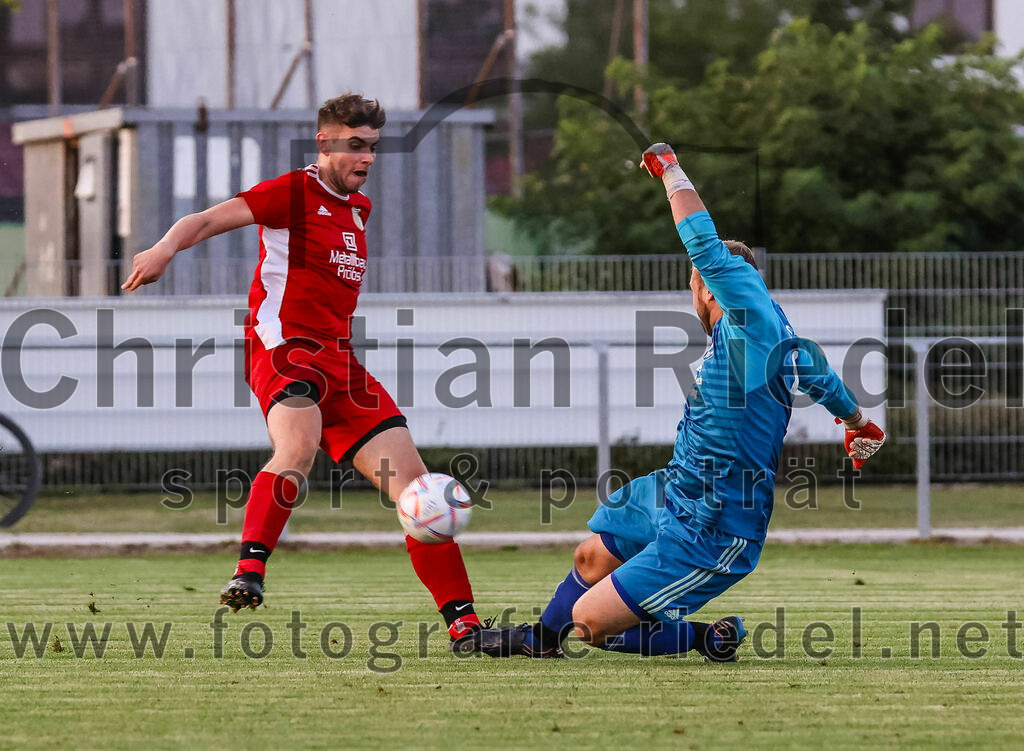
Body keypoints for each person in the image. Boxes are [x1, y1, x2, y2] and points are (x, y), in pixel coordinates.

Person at [460, 143, 886, 660]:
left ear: (713, 288)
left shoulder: (749, 319)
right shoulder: (764, 330)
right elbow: (818, 374)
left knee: (590, 624)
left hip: (715, 523)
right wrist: (858, 422)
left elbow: (705, 247)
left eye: (693, 284)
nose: (691, 292)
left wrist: (669, 169)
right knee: (591, 554)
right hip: (676, 493)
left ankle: (708, 636)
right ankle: (539, 642)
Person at [121, 93, 483, 643]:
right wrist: (163, 250)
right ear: (325, 143)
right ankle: (249, 569)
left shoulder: (359, 209)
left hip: (341, 361)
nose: (366, 158)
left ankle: (465, 626)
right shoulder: (292, 192)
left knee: (417, 491)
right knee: (298, 446)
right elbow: (205, 220)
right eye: (355, 146)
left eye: (373, 148)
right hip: (284, 349)